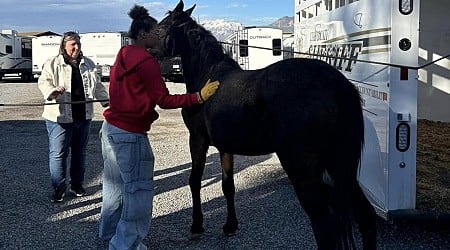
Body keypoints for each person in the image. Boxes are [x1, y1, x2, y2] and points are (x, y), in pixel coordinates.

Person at [98, 4, 220, 250]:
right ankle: (126, 245)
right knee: (138, 193)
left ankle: (110, 236)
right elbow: (164, 100)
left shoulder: (123, 56)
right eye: (156, 32)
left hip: (110, 129)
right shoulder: (146, 62)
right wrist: (199, 96)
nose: (160, 36)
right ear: (144, 34)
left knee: (114, 189)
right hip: (131, 135)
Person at [38, 31, 109, 203]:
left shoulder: (89, 64)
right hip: (59, 118)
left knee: (79, 153)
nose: (76, 48)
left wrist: (107, 103)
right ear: (64, 46)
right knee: (58, 154)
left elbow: (98, 86)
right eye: (72, 45)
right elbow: (44, 82)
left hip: (83, 117)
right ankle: (59, 188)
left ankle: (76, 184)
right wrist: (52, 92)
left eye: (78, 44)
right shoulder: (53, 63)